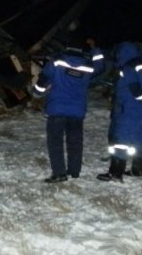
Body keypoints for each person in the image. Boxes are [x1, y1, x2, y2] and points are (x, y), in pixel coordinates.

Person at [33, 40, 105, 182]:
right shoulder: (88, 66)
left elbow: (44, 80)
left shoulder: (56, 61)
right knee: (75, 141)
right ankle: (74, 171)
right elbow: (101, 67)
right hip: (77, 110)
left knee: (55, 142)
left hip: (57, 109)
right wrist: (95, 49)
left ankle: (59, 173)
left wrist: (36, 92)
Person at [98, 41, 142, 182]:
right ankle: (138, 170)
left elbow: (134, 87)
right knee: (140, 140)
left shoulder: (128, 68)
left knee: (121, 140)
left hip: (128, 110)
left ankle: (115, 173)